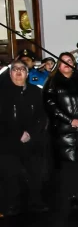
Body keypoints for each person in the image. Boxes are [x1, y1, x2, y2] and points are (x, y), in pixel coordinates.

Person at [44, 52, 78, 209]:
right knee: (68, 165)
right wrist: (69, 120)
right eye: (63, 62)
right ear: (58, 65)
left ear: (74, 63)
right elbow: (51, 105)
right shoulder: (52, 82)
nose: (66, 64)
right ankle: (72, 195)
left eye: (69, 61)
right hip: (63, 130)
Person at [0, 61, 47, 215]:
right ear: (10, 73)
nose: (18, 72)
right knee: (10, 174)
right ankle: (12, 204)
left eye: (22, 69)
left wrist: (31, 133)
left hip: (32, 141)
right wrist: (17, 135)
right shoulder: (2, 93)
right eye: (15, 69)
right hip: (8, 142)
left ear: (27, 73)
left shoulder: (35, 92)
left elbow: (42, 116)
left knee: (35, 173)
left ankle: (36, 202)